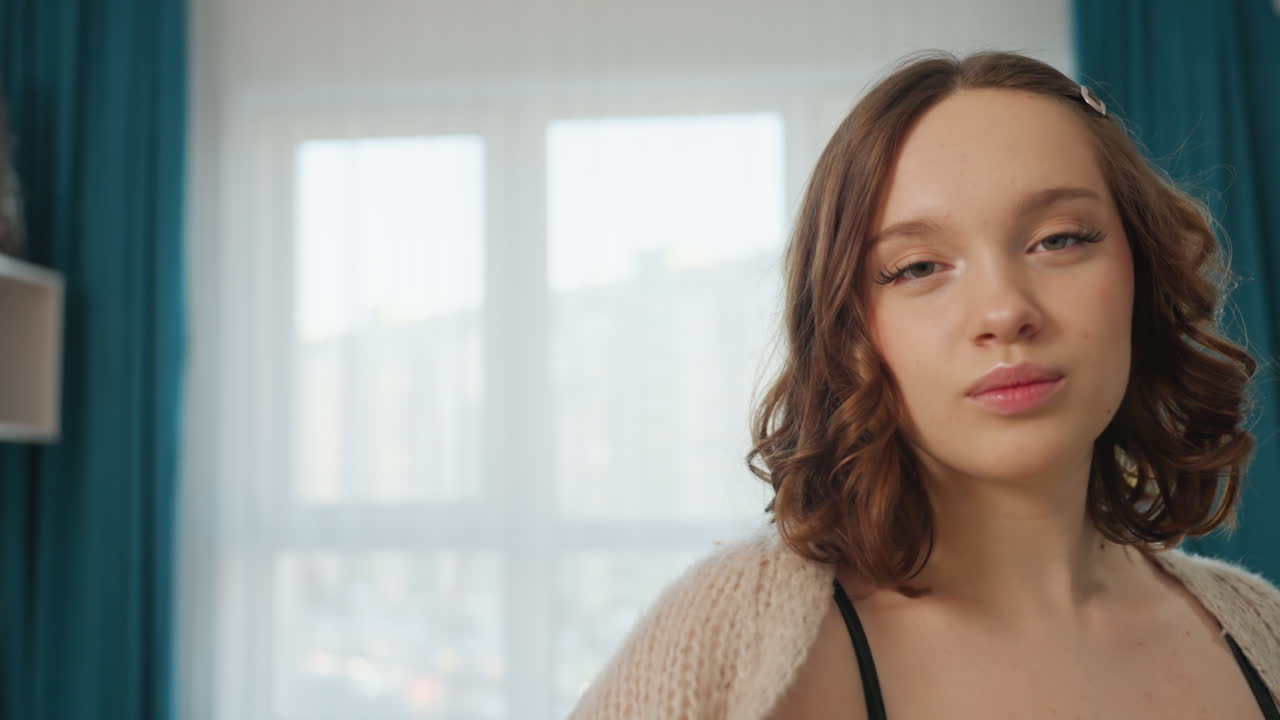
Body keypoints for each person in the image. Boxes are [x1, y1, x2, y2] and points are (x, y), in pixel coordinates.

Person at [566, 50, 1280, 719]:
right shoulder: (733, 643)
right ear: (849, 331)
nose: (1005, 312)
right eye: (916, 268)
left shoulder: (1262, 637)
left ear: (1142, 273)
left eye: (1060, 239)